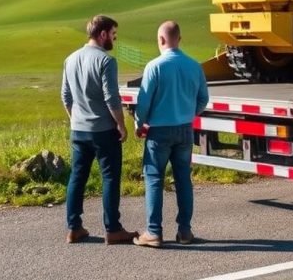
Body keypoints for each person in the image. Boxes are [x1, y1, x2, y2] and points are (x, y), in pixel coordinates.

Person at [60, 14, 139, 245]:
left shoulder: (70, 59)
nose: (114, 39)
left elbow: (65, 96)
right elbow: (111, 98)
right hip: (103, 130)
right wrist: (121, 125)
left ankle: (74, 228)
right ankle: (112, 229)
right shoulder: (106, 61)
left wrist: (76, 119)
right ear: (103, 34)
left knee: (77, 178)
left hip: (79, 130)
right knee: (110, 178)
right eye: (113, 34)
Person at [132, 21, 209, 248]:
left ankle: (154, 232)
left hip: (159, 131)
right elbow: (203, 98)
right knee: (183, 179)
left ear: (161, 40)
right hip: (185, 129)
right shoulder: (195, 66)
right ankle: (185, 231)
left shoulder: (154, 66)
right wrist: (189, 113)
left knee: (154, 178)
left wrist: (139, 123)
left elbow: (143, 102)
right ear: (179, 39)